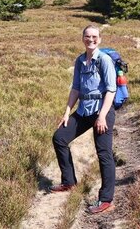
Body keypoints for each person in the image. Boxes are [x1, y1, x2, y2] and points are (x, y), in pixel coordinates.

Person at [50, 25, 117, 215]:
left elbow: (111, 90)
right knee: (59, 138)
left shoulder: (104, 60)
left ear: (99, 39)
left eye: (94, 36)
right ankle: (69, 181)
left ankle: (106, 199)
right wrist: (67, 112)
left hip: (102, 111)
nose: (91, 39)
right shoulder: (80, 61)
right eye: (87, 36)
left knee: (104, 153)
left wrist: (102, 116)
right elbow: (76, 88)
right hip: (83, 110)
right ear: (83, 38)